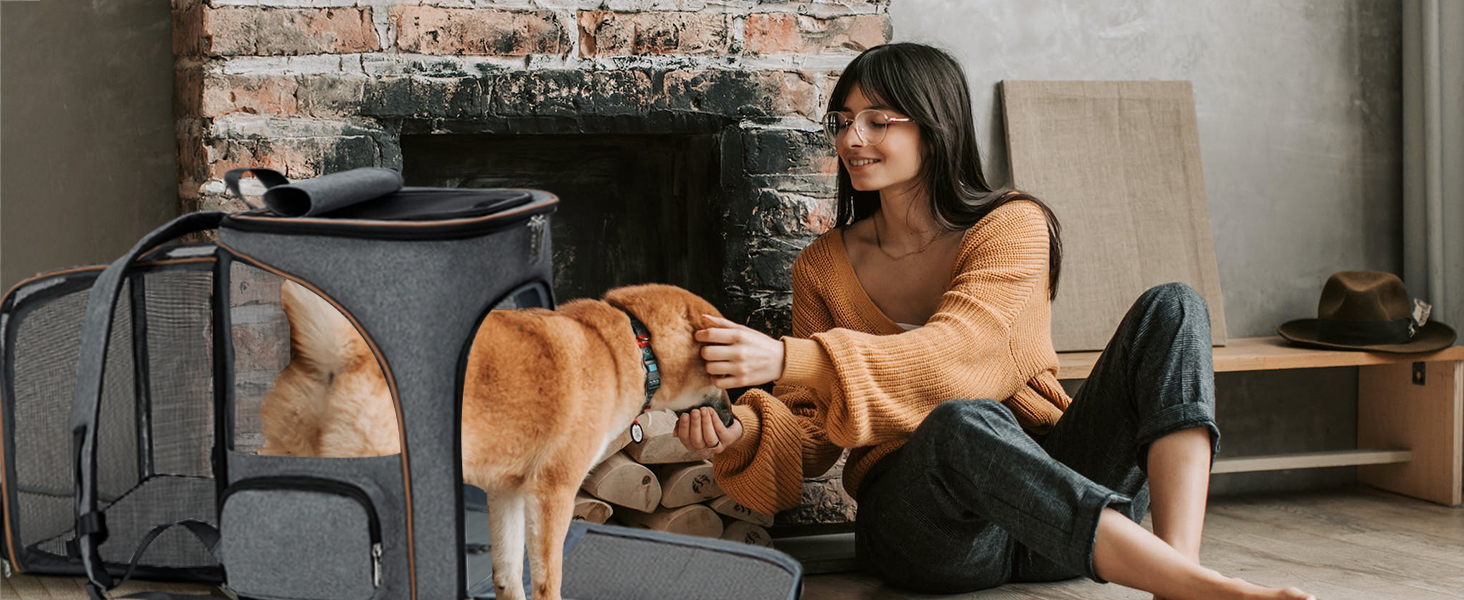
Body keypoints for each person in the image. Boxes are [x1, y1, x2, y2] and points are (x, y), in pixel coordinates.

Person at [672, 43, 1315, 600]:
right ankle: (1194, 584)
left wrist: (791, 357)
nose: (851, 140)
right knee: (961, 421)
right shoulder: (823, 266)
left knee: (1175, 307)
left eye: (876, 120)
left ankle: (1178, 575)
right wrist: (745, 435)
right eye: (841, 121)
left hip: (1053, 498)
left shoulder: (1010, 224)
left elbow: (967, 355)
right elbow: (813, 436)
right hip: (930, 531)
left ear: (935, 127)